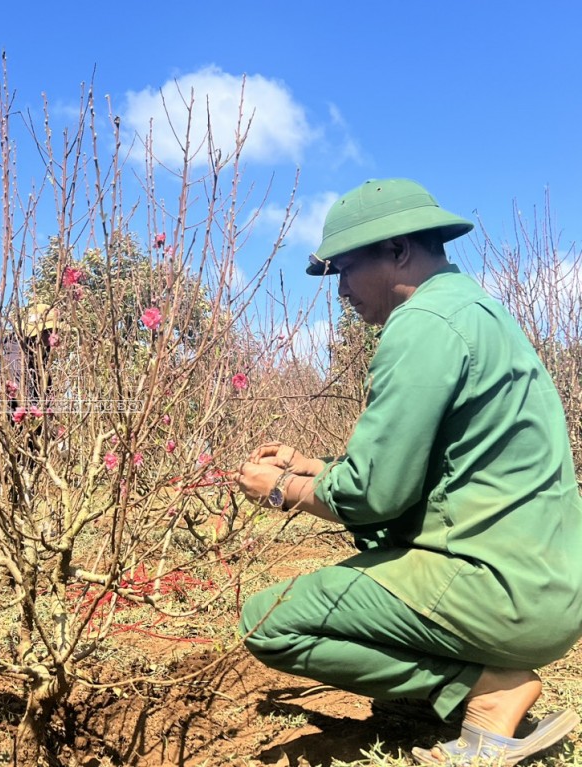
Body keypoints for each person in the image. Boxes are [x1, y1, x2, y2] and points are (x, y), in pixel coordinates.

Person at [237, 178, 582, 765]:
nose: (341, 288)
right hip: (549, 581)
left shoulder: (422, 323)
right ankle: (440, 702)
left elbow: (376, 495)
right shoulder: (474, 310)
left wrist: (282, 491)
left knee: (268, 622)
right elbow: (437, 466)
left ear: (397, 250)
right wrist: (315, 466)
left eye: (345, 268)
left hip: (498, 589)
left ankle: (487, 693)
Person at [0, 302, 57, 546]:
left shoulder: (40, 355)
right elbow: (19, 389)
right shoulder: (14, 350)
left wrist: (49, 425)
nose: (52, 337)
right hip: (12, 424)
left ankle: (18, 528)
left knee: (24, 476)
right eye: (48, 332)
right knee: (3, 475)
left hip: (31, 424)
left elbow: (47, 390)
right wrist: (32, 418)